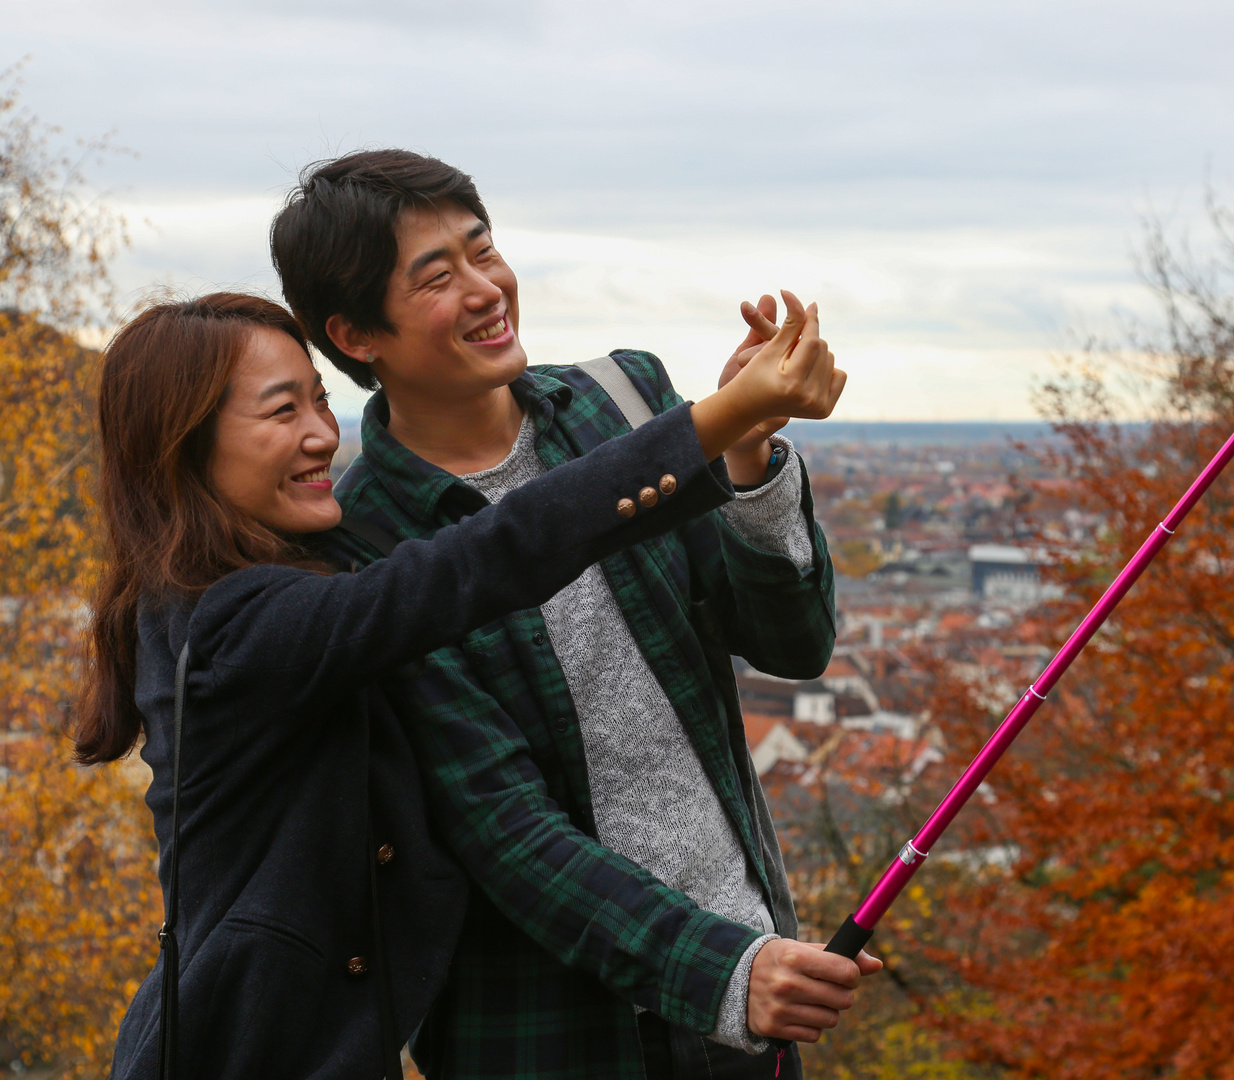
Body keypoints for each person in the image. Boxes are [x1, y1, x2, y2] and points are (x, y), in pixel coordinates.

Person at [75, 290, 846, 1079]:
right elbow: (487, 557)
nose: (321, 435)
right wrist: (714, 421)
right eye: (281, 412)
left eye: (319, 400)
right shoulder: (237, 630)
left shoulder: (226, 602)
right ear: (184, 448)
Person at [271, 149, 878, 1080]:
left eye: (484, 250)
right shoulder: (359, 548)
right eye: (437, 276)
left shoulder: (626, 401)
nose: (485, 289)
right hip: (549, 1033)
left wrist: (749, 455)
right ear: (357, 335)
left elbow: (795, 644)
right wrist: (724, 971)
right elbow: (499, 820)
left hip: (749, 992)